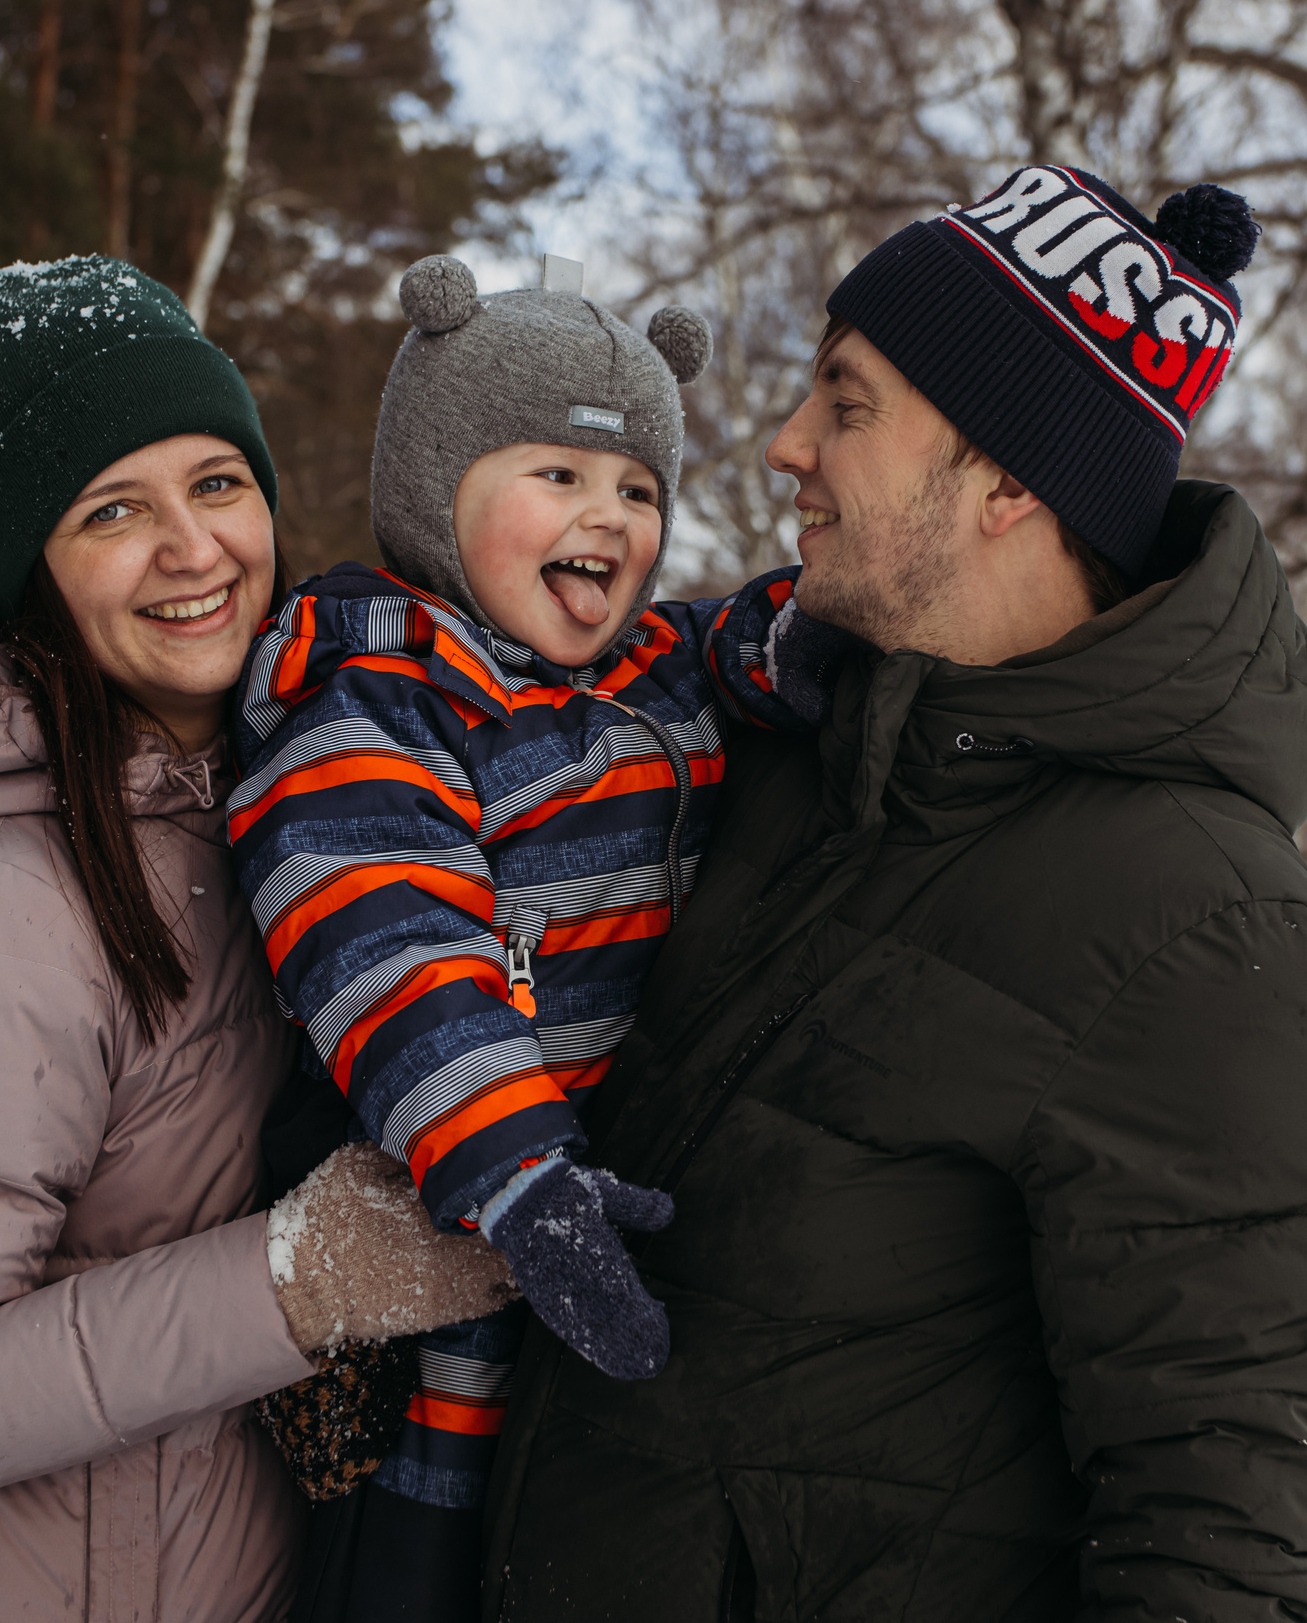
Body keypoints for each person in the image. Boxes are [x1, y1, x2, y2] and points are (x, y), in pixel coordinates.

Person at [479, 167, 1307, 1620]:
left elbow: (1213, 1552)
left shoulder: (1210, 934)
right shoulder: (790, 753)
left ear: (1010, 482)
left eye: (846, 404)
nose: (784, 448)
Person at [0, 256, 514, 1623]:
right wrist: (296, 1279)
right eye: (112, 510)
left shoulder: (300, 817)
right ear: (32, 579)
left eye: (217, 484)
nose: (193, 550)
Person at [226, 256, 845, 1621]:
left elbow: (743, 636)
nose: (606, 518)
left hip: (609, 1298)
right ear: (436, 490)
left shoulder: (655, 673)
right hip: (450, 1305)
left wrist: (822, 639)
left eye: (636, 490)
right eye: (555, 476)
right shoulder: (373, 710)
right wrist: (519, 1173)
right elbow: (393, 955)